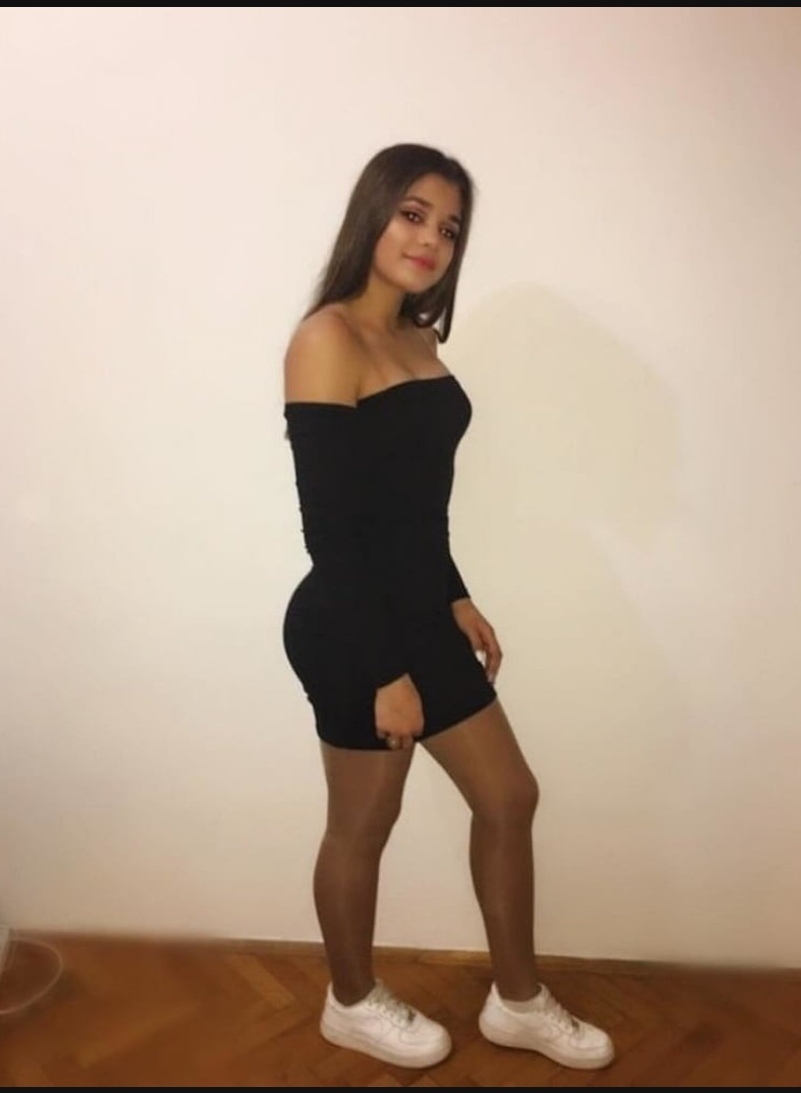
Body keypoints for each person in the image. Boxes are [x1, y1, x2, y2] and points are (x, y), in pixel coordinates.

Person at [281, 142, 615, 1072]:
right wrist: (385, 671)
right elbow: (333, 529)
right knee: (364, 824)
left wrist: (454, 593)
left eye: (450, 227)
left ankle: (517, 1000)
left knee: (508, 797)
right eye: (413, 214)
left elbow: (414, 507)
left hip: (419, 608)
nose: (431, 238)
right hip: (349, 624)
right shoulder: (325, 339)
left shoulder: (419, 342)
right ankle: (350, 1001)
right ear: (374, 213)